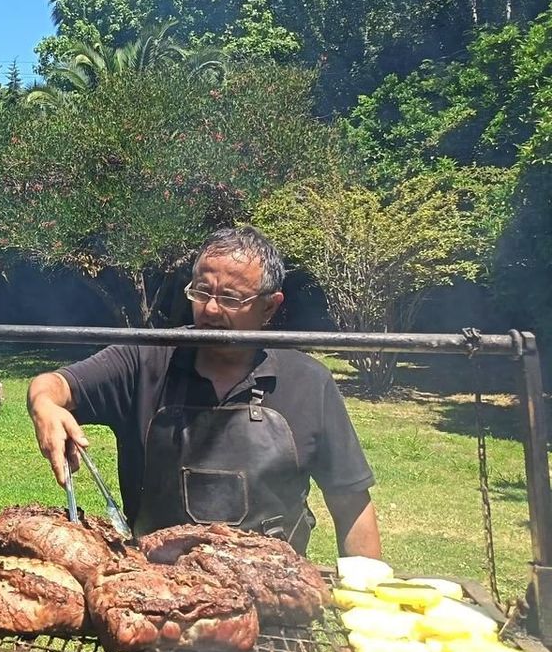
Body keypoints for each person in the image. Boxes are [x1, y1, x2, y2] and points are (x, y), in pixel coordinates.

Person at [26, 226, 381, 557]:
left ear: (269, 306)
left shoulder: (308, 382)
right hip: (158, 589)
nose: (210, 309)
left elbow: (351, 504)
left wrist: (371, 599)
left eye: (230, 298)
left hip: (272, 597)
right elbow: (55, 385)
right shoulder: (145, 360)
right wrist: (44, 405)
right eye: (201, 292)